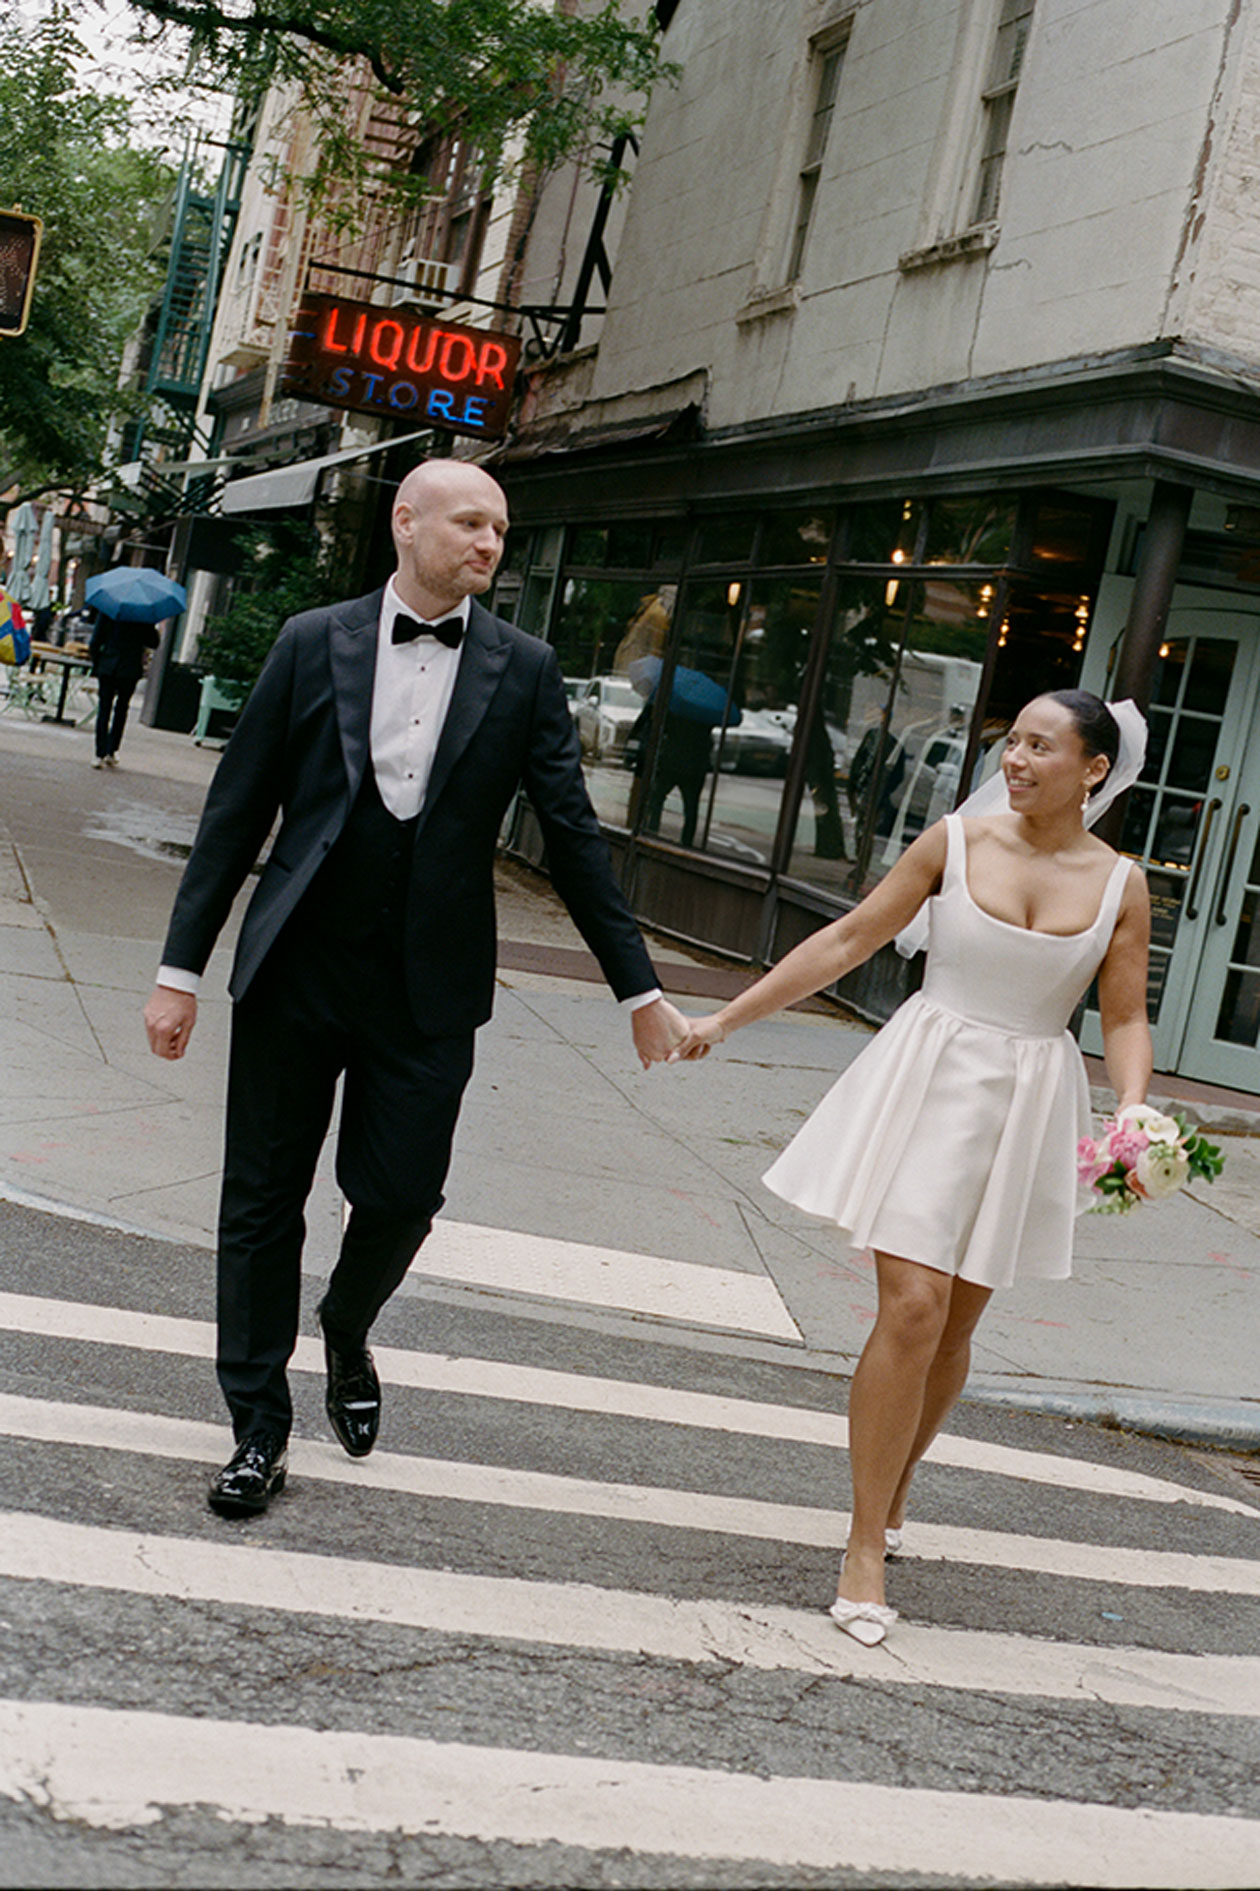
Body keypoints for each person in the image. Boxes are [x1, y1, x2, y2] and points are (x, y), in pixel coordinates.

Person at [144, 459, 689, 1518]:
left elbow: (571, 836)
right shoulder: (314, 640)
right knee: (259, 1204)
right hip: (295, 966)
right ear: (408, 522)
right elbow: (235, 810)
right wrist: (181, 972)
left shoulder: (523, 667)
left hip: (429, 985)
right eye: (472, 523)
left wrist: (639, 989)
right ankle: (258, 1425)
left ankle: (346, 1325)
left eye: (502, 529)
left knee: (401, 1195)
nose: (491, 543)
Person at [671, 691, 1152, 1646]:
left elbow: (1126, 1016)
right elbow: (847, 940)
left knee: (960, 1319)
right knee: (915, 1306)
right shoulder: (953, 842)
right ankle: (863, 1543)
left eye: (1040, 746)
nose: (1015, 759)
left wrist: (1134, 1113)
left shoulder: (1121, 885)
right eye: (1010, 741)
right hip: (932, 1080)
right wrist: (725, 1020)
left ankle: (894, 1483)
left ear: (1093, 768)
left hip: (1030, 1098)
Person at [88, 610, 159, 768]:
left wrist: (97, 662)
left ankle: (99, 753)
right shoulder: (143, 614)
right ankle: (112, 750)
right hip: (130, 668)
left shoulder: (109, 610)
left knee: (104, 709)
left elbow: (95, 640)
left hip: (108, 665)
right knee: (121, 709)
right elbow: (153, 642)